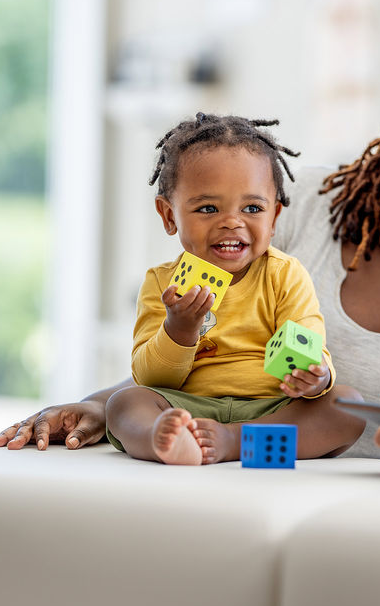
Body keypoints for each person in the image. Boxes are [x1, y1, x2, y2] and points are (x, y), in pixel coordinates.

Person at [0, 20, 380, 458]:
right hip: (246, 501)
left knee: (342, 402)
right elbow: (204, 348)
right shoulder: (288, 210)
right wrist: (103, 407)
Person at [104, 113, 364, 464]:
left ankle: (233, 442)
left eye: (252, 208)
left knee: (347, 406)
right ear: (169, 215)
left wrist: (315, 377)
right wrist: (179, 330)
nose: (231, 222)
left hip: (272, 410)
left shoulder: (285, 275)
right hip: (189, 407)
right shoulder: (162, 283)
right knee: (124, 404)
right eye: (208, 208)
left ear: (274, 218)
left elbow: (309, 346)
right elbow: (150, 378)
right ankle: (164, 439)